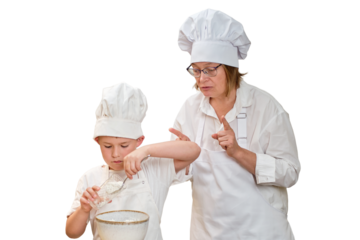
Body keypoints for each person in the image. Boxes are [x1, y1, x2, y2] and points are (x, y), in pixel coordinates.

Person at [168, 8, 302, 239]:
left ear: (230, 68)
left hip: (262, 231)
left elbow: (291, 174)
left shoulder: (267, 107)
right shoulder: (190, 108)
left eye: (210, 69)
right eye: (196, 70)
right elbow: (172, 175)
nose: (202, 79)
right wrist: (182, 158)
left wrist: (238, 152)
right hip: (207, 232)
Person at [64, 82, 200, 240]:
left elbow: (194, 151)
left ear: (140, 140)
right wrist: (84, 209)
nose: (116, 154)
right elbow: (71, 233)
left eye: (124, 145)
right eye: (107, 146)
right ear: (97, 142)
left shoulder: (153, 169)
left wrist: (146, 151)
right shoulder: (89, 178)